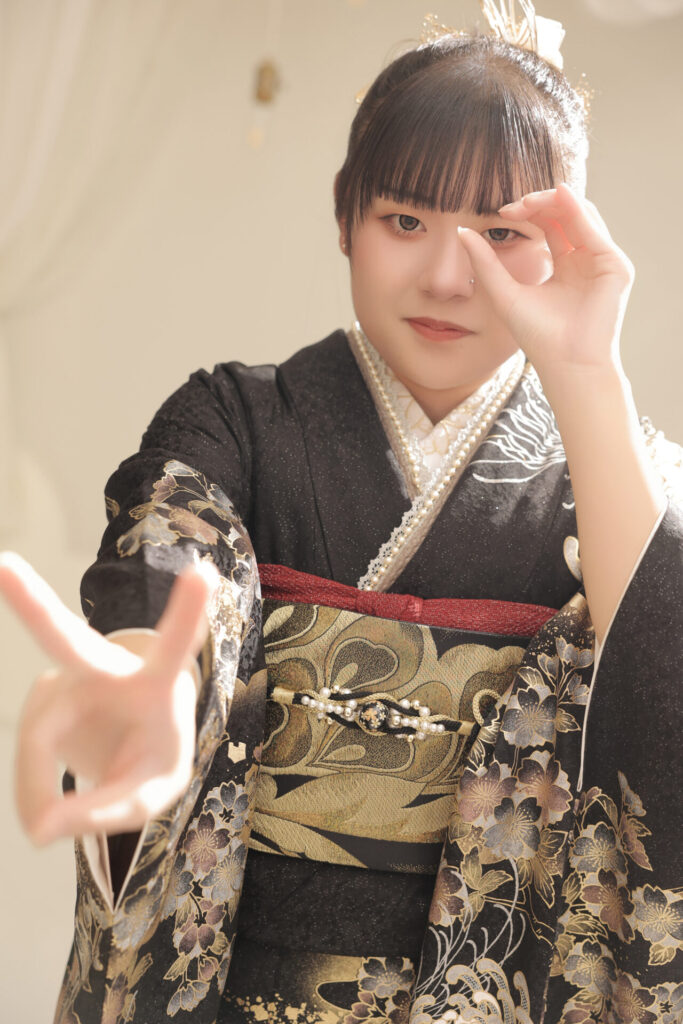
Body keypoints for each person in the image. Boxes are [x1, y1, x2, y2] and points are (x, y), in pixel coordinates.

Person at [1, 4, 682, 1022]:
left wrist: (585, 368)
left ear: (560, 248)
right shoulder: (236, 418)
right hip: (244, 983)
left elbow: (658, 668)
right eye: (404, 221)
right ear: (343, 215)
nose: (446, 277)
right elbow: (169, 541)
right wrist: (152, 685)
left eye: (501, 235)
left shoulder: (613, 467)